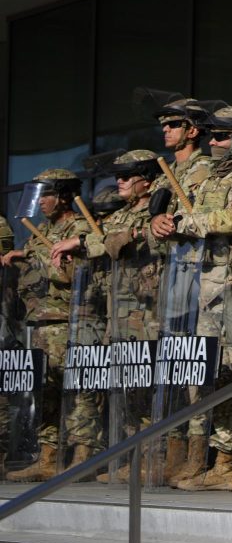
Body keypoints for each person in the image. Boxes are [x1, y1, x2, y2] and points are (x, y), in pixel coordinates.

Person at [152, 106, 232, 492]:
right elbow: (182, 219)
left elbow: (229, 219)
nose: (212, 142)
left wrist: (180, 225)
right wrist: (161, 224)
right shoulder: (210, 179)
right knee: (213, 375)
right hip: (205, 290)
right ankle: (220, 459)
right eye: (210, 135)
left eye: (221, 136)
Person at [49, 151, 165, 483]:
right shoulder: (122, 215)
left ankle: (152, 456)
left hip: (148, 310)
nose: (121, 181)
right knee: (125, 389)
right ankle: (130, 455)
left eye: (128, 175)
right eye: (118, 175)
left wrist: (87, 240)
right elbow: (102, 242)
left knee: (145, 387)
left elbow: (117, 241)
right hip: (117, 312)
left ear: (146, 179)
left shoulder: (156, 209)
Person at [146, 97, 216, 485]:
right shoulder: (163, 176)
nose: (166, 130)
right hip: (172, 280)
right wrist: (154, 224)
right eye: (165, 125)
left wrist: (174, 222)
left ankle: (197, 450)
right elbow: (151, 228)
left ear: (193, 130)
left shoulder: (206, 169)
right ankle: (171, 447)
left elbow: (205, 221)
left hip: (201, 279)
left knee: (197, 369)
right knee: (173, 366)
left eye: (174, 124)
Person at [2, 169, 86, 482]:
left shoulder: (79, 227)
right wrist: (22, 256)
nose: (42, 203)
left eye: (48, 195)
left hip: (66, 321)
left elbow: (73, 274)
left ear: (64, 196)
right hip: (39, 321)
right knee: (45, 390)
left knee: (72, 390)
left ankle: (77, 454)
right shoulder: (42, 229)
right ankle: (48, 455)